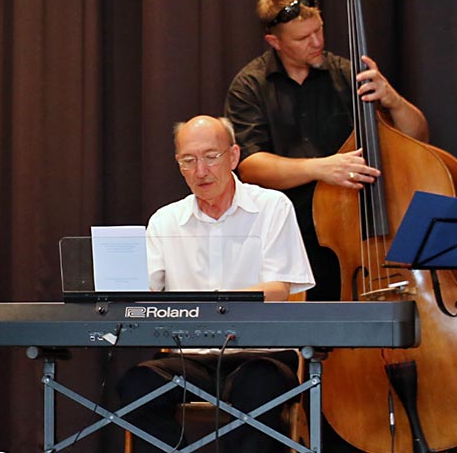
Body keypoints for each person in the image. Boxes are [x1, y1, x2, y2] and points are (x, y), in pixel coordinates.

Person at [117, 115, 315, 453]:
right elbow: (143, 293)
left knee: (258, 386)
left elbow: (280, 289)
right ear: (178, 165)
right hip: (189, 357)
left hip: (261, 354)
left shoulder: (271, 207)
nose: (201, 171)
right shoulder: (165, 220)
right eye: (188, 160)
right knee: (138, 384)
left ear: (234, 157)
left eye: (211, 157)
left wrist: (210, 302)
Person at [225, 0, 429, 302]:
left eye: (319, 30)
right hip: (289, 237)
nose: (317, 42)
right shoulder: (250, 85)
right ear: (274, 42)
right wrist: (323, 168)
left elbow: (416, 139)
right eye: (303, 38)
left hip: (353, 232)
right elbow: (249, 166)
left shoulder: (346, 74)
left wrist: (393, 99)